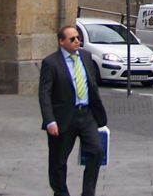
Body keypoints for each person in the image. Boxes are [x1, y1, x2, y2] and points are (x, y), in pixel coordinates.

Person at [38, 25, 108, 196]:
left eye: (78, 38)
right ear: (61, 42)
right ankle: (61, 192)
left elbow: (91, 84)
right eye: (72, 39)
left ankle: (88, 192)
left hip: (86, 115)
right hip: (63, 117)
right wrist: (49, 120)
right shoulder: (51, 63)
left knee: (96, 151)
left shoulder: (85, 57)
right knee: (58, 161)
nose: (77, 41)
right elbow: (44, 94)